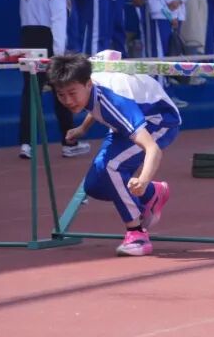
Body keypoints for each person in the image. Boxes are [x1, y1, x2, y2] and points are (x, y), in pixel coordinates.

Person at [47, 52, 179, 256]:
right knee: (94, 185)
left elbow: (152, 149)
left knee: (111, 167)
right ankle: (153, 193)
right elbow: (96, 103)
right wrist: (83, 128)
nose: (68, 101)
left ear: (88, 84)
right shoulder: (89, 79)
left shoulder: (116, 102)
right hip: (125, 123)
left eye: (72, 93)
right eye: (61, 95)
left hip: (159, 122)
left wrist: (143, 179)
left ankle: (137, 235)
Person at [18, 0, 84, 160]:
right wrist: (59, 55)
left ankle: (26, 143)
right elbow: (58, 22)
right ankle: (69, 142)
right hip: (47, 40)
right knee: (61, 91)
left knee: (30, 93)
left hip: (28, 39)